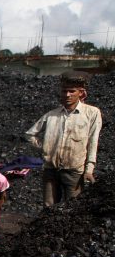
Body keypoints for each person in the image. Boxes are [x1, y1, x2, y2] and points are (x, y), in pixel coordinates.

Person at [25, 70, 102, 207]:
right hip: (50, 169)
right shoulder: (51, 115)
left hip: (74, 171)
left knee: (73, 208)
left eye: (72, 91)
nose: (67, 95)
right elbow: (29, 134)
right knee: (49, 206)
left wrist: (89, 170)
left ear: (81, 93)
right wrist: (45, 146)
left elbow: (93, 142)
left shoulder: (92, 113)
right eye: (64, 91)